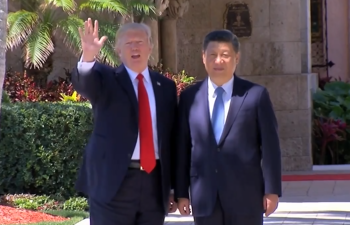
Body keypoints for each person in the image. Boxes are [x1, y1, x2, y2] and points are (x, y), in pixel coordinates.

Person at [72, 18, 178, 225]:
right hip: (113, 184)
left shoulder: (165, 86)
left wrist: (173, 187)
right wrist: (88, 56)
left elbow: (171, 138)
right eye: (128, 43)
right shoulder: (105, 79)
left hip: (154, 185)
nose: (135, 47)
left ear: (150, 47)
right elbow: (85, 83)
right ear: (118, 51)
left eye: (140, 42)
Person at [175, 29, 282, 225]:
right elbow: (183, 148)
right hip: (204, 197)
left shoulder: (255, 95)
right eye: (213, 55)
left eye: (225, 55)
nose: (218, 61)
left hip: (245, 196)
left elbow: (270, 147)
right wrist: (181, 193)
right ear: (203, 57)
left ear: (237, 58)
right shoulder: (189, 97)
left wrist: (272, 190)